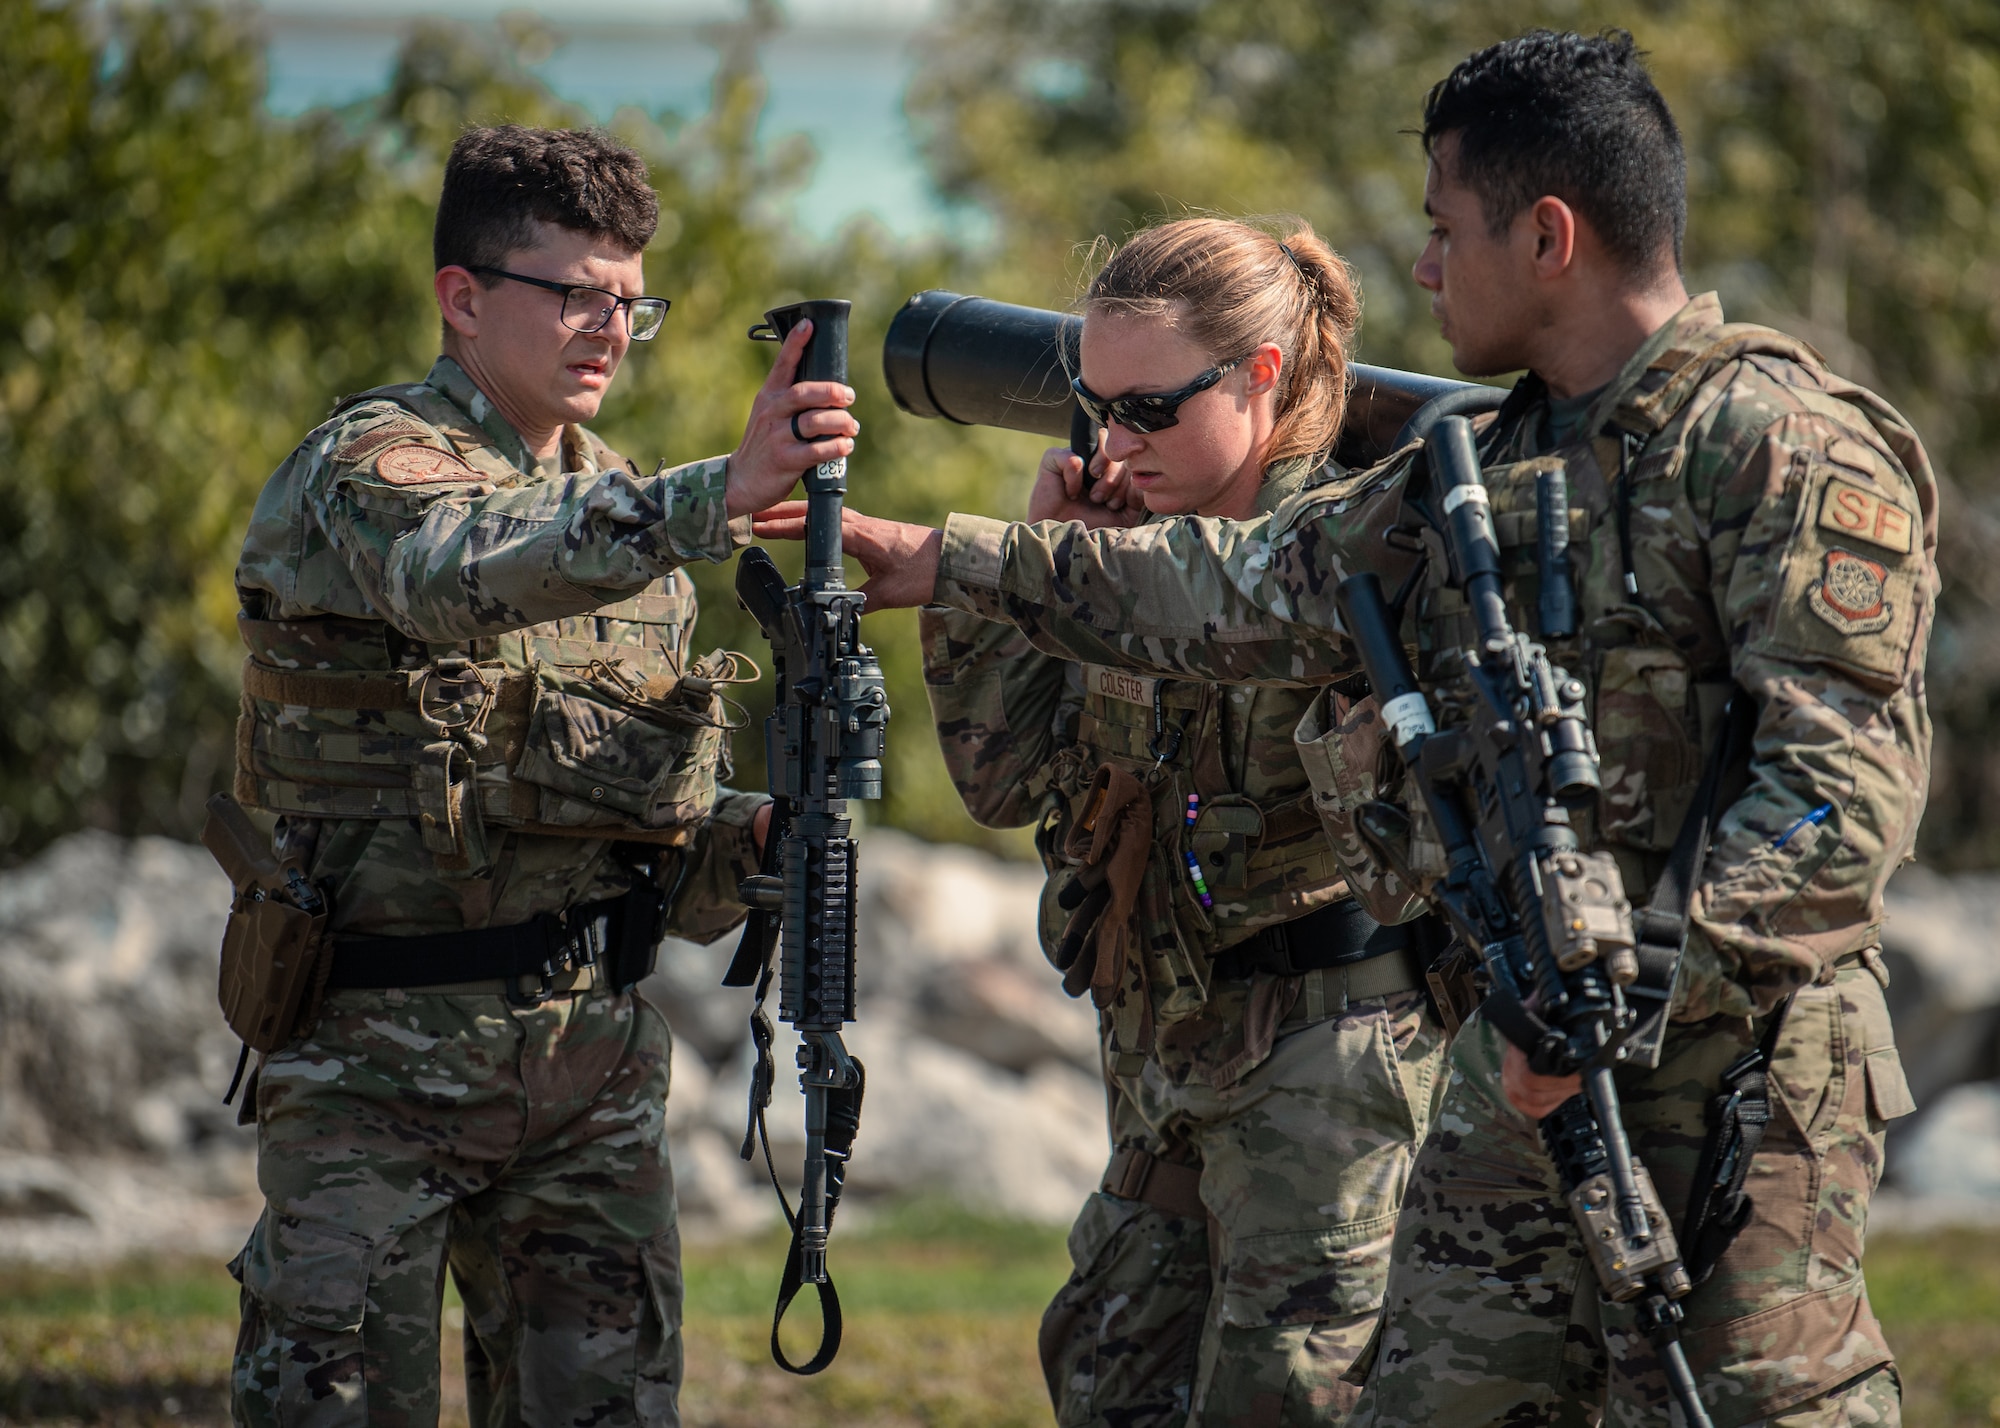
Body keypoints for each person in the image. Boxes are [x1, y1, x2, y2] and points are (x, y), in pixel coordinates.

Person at [775, 30, 1933, 1427]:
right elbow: (1244, 580)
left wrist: (1618, 999)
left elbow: (1835, 803)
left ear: (1549, 235)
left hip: (1732, 1073)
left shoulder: (1782, 448)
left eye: (1447, 233)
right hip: (1518, 1063)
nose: (1424, 271)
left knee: (1748, 1405)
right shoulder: (1481, 466)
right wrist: (961, 562)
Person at [227, 124, 854, 1426]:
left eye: (631, 301)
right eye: (574, 293)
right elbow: (449, 575)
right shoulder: (370, 465)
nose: (609, 328)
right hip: (374, 1066)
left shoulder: (623, 504)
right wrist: (712, 495)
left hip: (589, 1072)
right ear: (462, 298)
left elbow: (635, 836)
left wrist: (757, 842)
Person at [924, 218, 1448, 1425]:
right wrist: (1041, 577)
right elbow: (999, 782)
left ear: (1261, 375)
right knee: (1108, 1379)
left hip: (1323, 1075)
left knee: (1282, 1400)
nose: (1113, 440)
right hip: (1160, 1058)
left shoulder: (1350, 550)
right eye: (1095, 406)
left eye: (1148, 408)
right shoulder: (1112, 549)